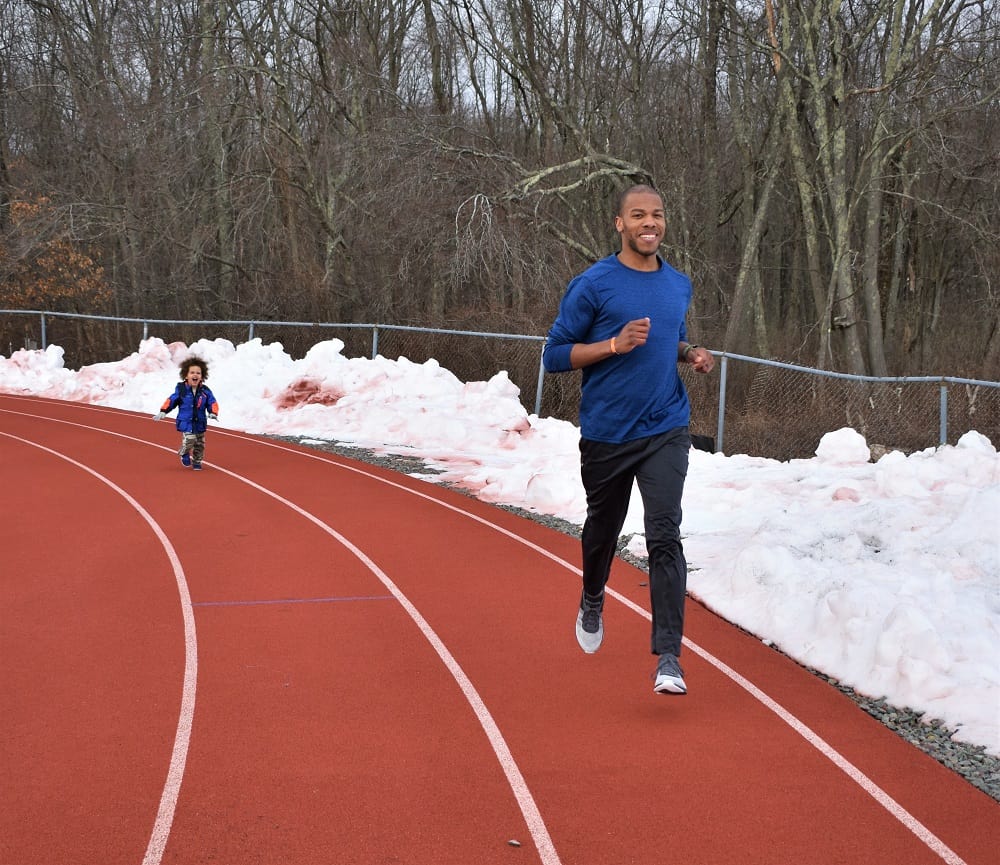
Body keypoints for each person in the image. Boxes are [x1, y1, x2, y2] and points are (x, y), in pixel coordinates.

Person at [542, 184, 715, 695]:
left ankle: (668, 657)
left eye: (657, 215)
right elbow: (554, 355)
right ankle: (592, 594)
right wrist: (612, 346)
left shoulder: (678, 283)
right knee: (603, 529)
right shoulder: (593, 284)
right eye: (638, 215)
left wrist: (691, 353)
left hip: (665, 426)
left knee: (665, 533)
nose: (649, 223)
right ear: (619, 223)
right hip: (607, 433)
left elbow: (667, 338)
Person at [153, 356, 220, 471]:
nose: (195, 375)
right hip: (186, 421)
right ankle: (183, 452)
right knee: (190, 439)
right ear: (186, 375)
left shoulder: (205, 391)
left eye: (198, 373)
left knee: (199, 443)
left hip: (200, 422)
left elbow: (212, 402)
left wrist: (213, 412)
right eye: (192, 372)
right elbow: (172, 400)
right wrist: (164, 411)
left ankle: (197, 462)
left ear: (202, 376)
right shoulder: (181, 389)